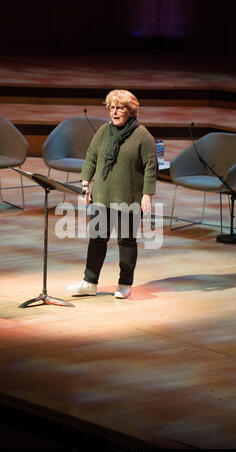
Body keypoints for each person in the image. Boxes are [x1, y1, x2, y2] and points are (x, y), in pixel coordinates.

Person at [67, 89, 157, 299]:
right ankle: (89, 282)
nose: (115, 112)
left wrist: (147, 195)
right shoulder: (103, 131)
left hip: (129, 198)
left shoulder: (142, 136)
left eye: (120, 108)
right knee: (97, 238)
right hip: (103, 195)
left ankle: (125, 284)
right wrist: (85, 184)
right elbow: (91, 158)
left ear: (131, 111)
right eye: (112, 108)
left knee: (126, 240)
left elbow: (151, 167)